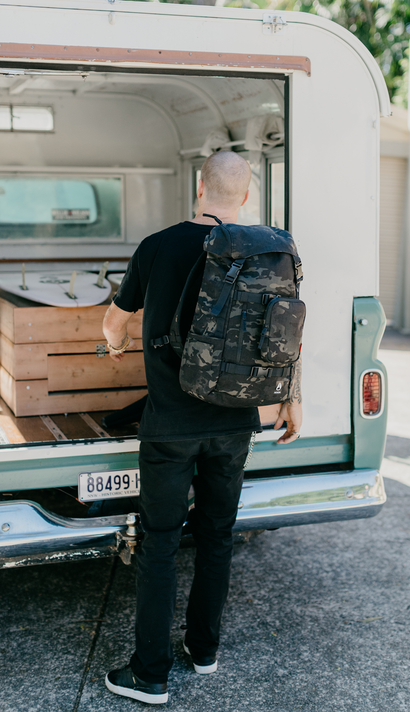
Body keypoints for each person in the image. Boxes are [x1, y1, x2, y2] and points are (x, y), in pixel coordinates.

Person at [102, 151, 302, 705]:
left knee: (160, 542)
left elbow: (117, 318)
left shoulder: (157, 246)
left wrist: (115, 339)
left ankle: (150, 675)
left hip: (171, 424)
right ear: (244, 197)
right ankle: (205, 650)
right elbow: (284, 334)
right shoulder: (266, 250)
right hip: (237, 422)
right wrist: (292, 399)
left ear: (198, 187)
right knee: (216, 535)